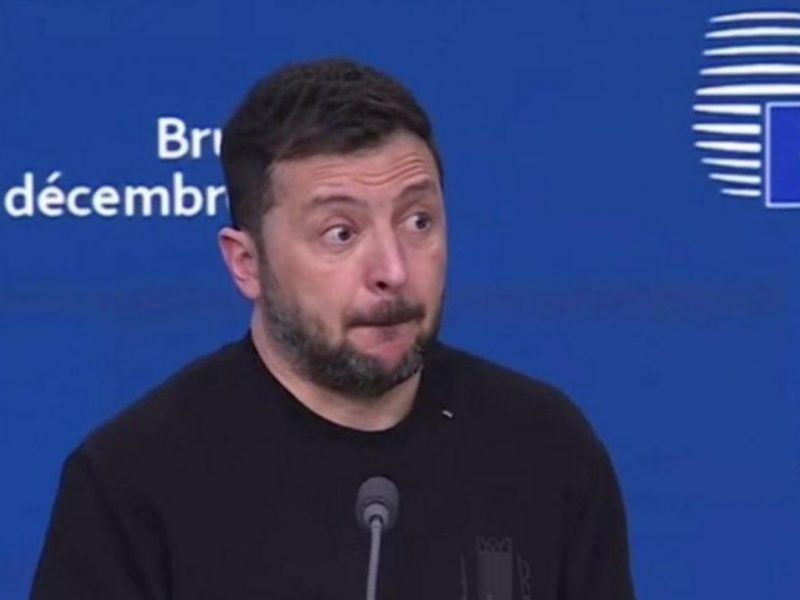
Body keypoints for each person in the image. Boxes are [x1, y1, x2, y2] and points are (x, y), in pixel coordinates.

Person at [31, 58, 635, 599]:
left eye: (419, 221)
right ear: (247, 264)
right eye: (341, 234)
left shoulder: (544, 447)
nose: (393, 270)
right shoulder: (133, 481)